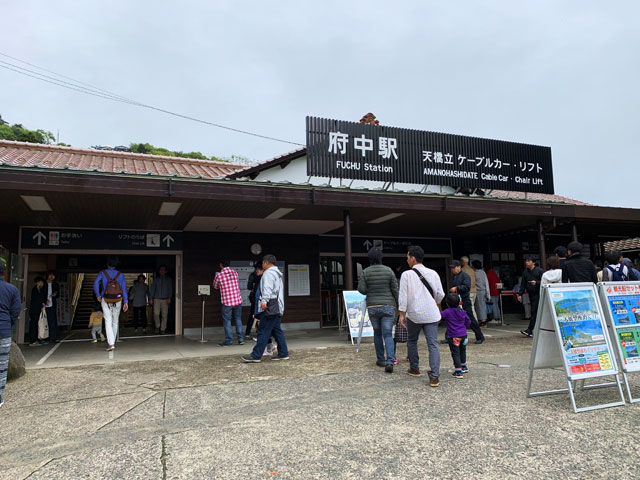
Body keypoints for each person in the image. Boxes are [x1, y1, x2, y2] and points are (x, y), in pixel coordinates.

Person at [398, 245, 445, 387]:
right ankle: (435, 376)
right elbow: (440, 294)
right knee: (433, 344)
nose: (407, 260)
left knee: (412, 340)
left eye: (407, 257)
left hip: (414, 314)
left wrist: (401, 314)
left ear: (412, 258)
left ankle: (415, 368)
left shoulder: (406, 275)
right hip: (431, 314)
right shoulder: (433, 273)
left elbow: (403, 297)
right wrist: (434, 303)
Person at [357, 247, 399, 373]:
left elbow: (362, 289)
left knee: (377, 333)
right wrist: (399, 305)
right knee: (388, 334)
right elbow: (395, 290)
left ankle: (381, 360)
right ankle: (390, 361)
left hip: (373, 307)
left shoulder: (366, 272)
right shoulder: (389, 271)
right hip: (388, 306)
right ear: (381, 258)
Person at [242, 254, 289, 362]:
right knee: (277, 331)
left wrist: (264, 301)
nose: (262, 264)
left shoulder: (268, 273)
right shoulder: (278, 274)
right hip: (277, 306)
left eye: (263, 262)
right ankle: (283, 353)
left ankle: (256, 355)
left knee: (263, 330)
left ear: (266, 263)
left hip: (269, 306)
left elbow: (267, 288)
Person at [94, 256, 128, 352]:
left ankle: (111, 343)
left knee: (108, 320)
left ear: (107, 264)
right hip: (118, 299)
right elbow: (124, 288)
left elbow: (96, 283)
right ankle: (113, 341)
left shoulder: (102, 273)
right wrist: (126, 301)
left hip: (106, 299)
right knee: (115, 320)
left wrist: (98, 295)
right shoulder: (120, 275)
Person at [0, 261, 22, 408]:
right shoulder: (12, 289)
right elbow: (15, 312)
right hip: (4, 329)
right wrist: (8, 323)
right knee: (2, 364)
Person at [450, 260, 485, 344]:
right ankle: (450, 337)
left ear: (459, 267)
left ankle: (480, 336)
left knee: (470, 318)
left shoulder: (465, 276)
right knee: (453, 319)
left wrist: (457, 288)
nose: (452, 269)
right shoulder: (453, 276)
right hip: (456, 301)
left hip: (464, 300)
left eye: (453, 268)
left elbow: (467, 287)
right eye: (451, 268)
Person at [214, 260, 244, 346]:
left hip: (227, 301)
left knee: (227, 320)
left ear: (221, 265)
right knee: (238, 319)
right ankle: (241, 339)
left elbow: (215, 286)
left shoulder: (219, 275)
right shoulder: (235, 273)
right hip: (237, 300)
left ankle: (229, 340)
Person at [441, 293, 471, 378]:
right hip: (463, 335)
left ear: (447, 303)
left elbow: (439, 317)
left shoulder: (447, 312)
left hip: (453, 336)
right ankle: (464, 366)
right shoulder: (462, 311)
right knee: (462, 350)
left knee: (455, 353)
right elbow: (468, 322)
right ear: (459, 303)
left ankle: (458, 371)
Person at [518, 257, 543, 338]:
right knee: (535, 311)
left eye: (529, 261)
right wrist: (520, 294)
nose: (527, 262)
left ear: (533, 262)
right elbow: (523, 284)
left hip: (539, 293)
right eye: (526, 261)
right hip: (530, 294)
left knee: (534, 311)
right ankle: (531, 330)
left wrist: (536, 282)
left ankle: (530, 329)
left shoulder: (539, 271)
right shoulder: (525, 272)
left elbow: (544, 281)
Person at [150, 265, 173, 335]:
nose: (162, 271)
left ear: (166, 271)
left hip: (165, 299)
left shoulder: (169, 279)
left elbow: (170, 289)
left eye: (163, 270)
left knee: (164, 315)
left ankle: (163, 329)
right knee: (156, 313)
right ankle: (157, 326)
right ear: (159, 271)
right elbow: (152, 289)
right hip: (156, 298)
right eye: (161, 270)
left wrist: (169, 297)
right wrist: (151, 298)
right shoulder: (156, 279)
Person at [245, 262, 263, 340]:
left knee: (253, 315)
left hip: (254, 297)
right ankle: (260, 333)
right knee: (261, 315)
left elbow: (249, 287)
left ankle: (248, 332)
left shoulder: (252, 275)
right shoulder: (265, 275)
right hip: (262, 298)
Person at [28, 276, 47, 346]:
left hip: (37, 310)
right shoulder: (35, 290)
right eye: (41, 282)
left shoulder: (39, 290)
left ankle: (38, 339)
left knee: (38, 325)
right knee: (34, 325)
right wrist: (42, 303)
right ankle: (33, 340)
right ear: (38, 282)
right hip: (35, 310)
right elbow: (37, 300)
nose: (42, 284)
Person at [473, 260, 490, 327]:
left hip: (478, 291)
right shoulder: (483, 272)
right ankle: (483, 319)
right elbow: (486, 283)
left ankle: (482, 320)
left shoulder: (474, 273)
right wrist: (488, 293)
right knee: (482, 306)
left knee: (478, 306)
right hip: (484, 290)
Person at [44, 271, 60, 343]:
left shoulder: (55, 284)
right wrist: (43, 301)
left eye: (53, 275)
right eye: (50, 275)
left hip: (52, 304)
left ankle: (53, 337)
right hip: (44, 305)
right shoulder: (44, 284)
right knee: (44, 321)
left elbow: (57, 294)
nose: (51, 277)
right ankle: (44, 337)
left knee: (53, 321)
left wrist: (55, 294)